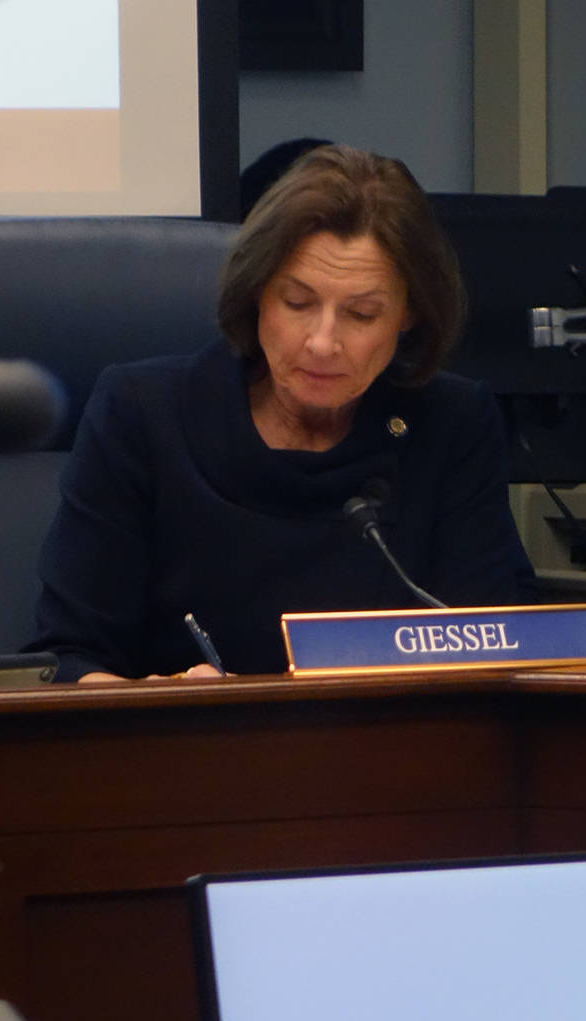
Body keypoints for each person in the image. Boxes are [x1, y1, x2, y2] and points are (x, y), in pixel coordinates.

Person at [30, 144, 535, 680]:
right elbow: (66, 657)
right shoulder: (142, 415)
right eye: (297, 303)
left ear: (408, 315)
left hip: (392, 751)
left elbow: (498, 650)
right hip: (187, 753)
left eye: (361, 314)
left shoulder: (452, 425)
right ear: (257, 294)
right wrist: (149, 701)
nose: (322, 342)